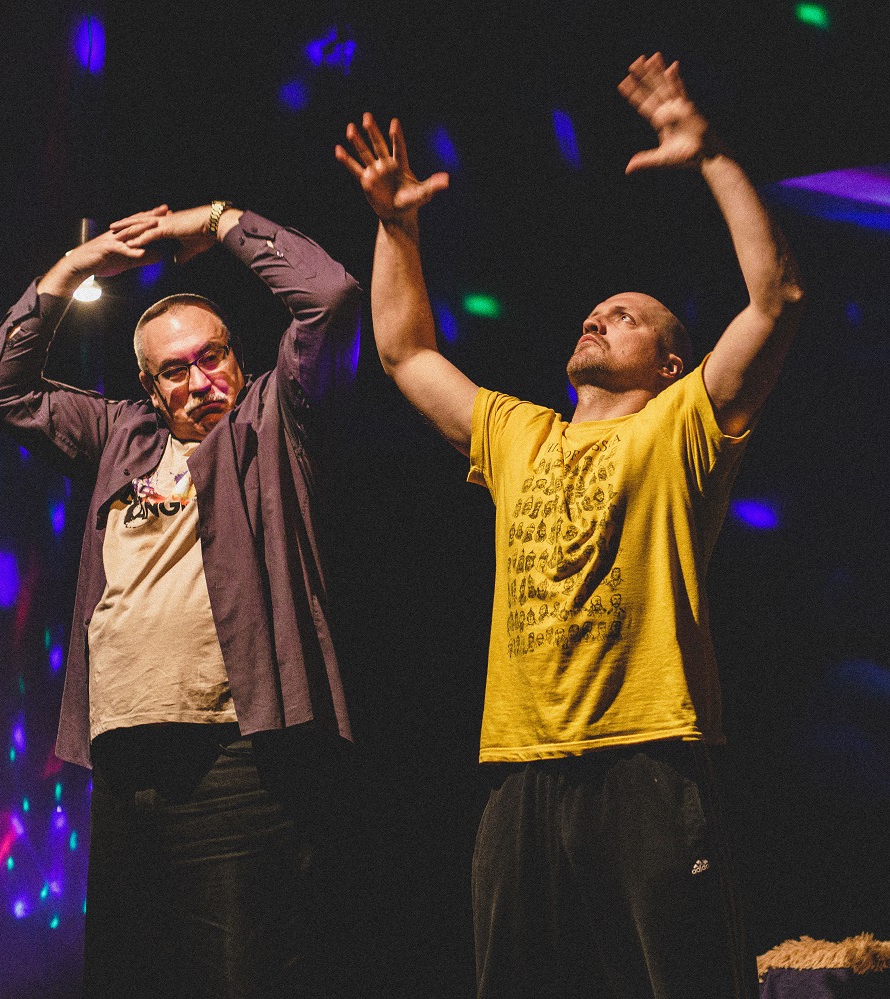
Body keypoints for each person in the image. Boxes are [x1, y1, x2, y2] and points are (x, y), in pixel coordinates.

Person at [336, 53, 804, 998]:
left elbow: (775, 299)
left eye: (625, 317)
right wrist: (396, 226)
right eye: (595, 312)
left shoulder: (682, 426)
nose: (599, 318)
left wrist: (710, 155)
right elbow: (404, 350)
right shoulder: (521, 433)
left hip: (648, 753)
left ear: (669, 364)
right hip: (521, 763)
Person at [0, 200, 362, 998]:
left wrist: (215, 222)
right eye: (175, 370)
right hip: (124, 757)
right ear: (150, 387)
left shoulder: (273, 420)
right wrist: (75, 267)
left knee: (242, 977)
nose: (200, 380)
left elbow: (331, 295)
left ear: (238, 358)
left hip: (236, 757)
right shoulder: (122, 434)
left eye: (211, 357)